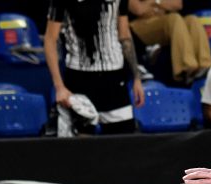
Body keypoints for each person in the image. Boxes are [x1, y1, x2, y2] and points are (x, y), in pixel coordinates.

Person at [45, 0, 145, 135]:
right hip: (79, 79)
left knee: (123, 143)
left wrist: (136, 77)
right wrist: (59, 87)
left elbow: (124, 34)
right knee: (81, 145)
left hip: (114, 81)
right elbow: (50, 39)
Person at [128, 0, 211, 85]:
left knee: (192, 20)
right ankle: (187, 69)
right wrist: (162, 4)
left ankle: (206, 65)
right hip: (138, 25)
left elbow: (178, 4)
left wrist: (155, 2)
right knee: (174, 19)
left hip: (162, 20)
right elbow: (139, 9)